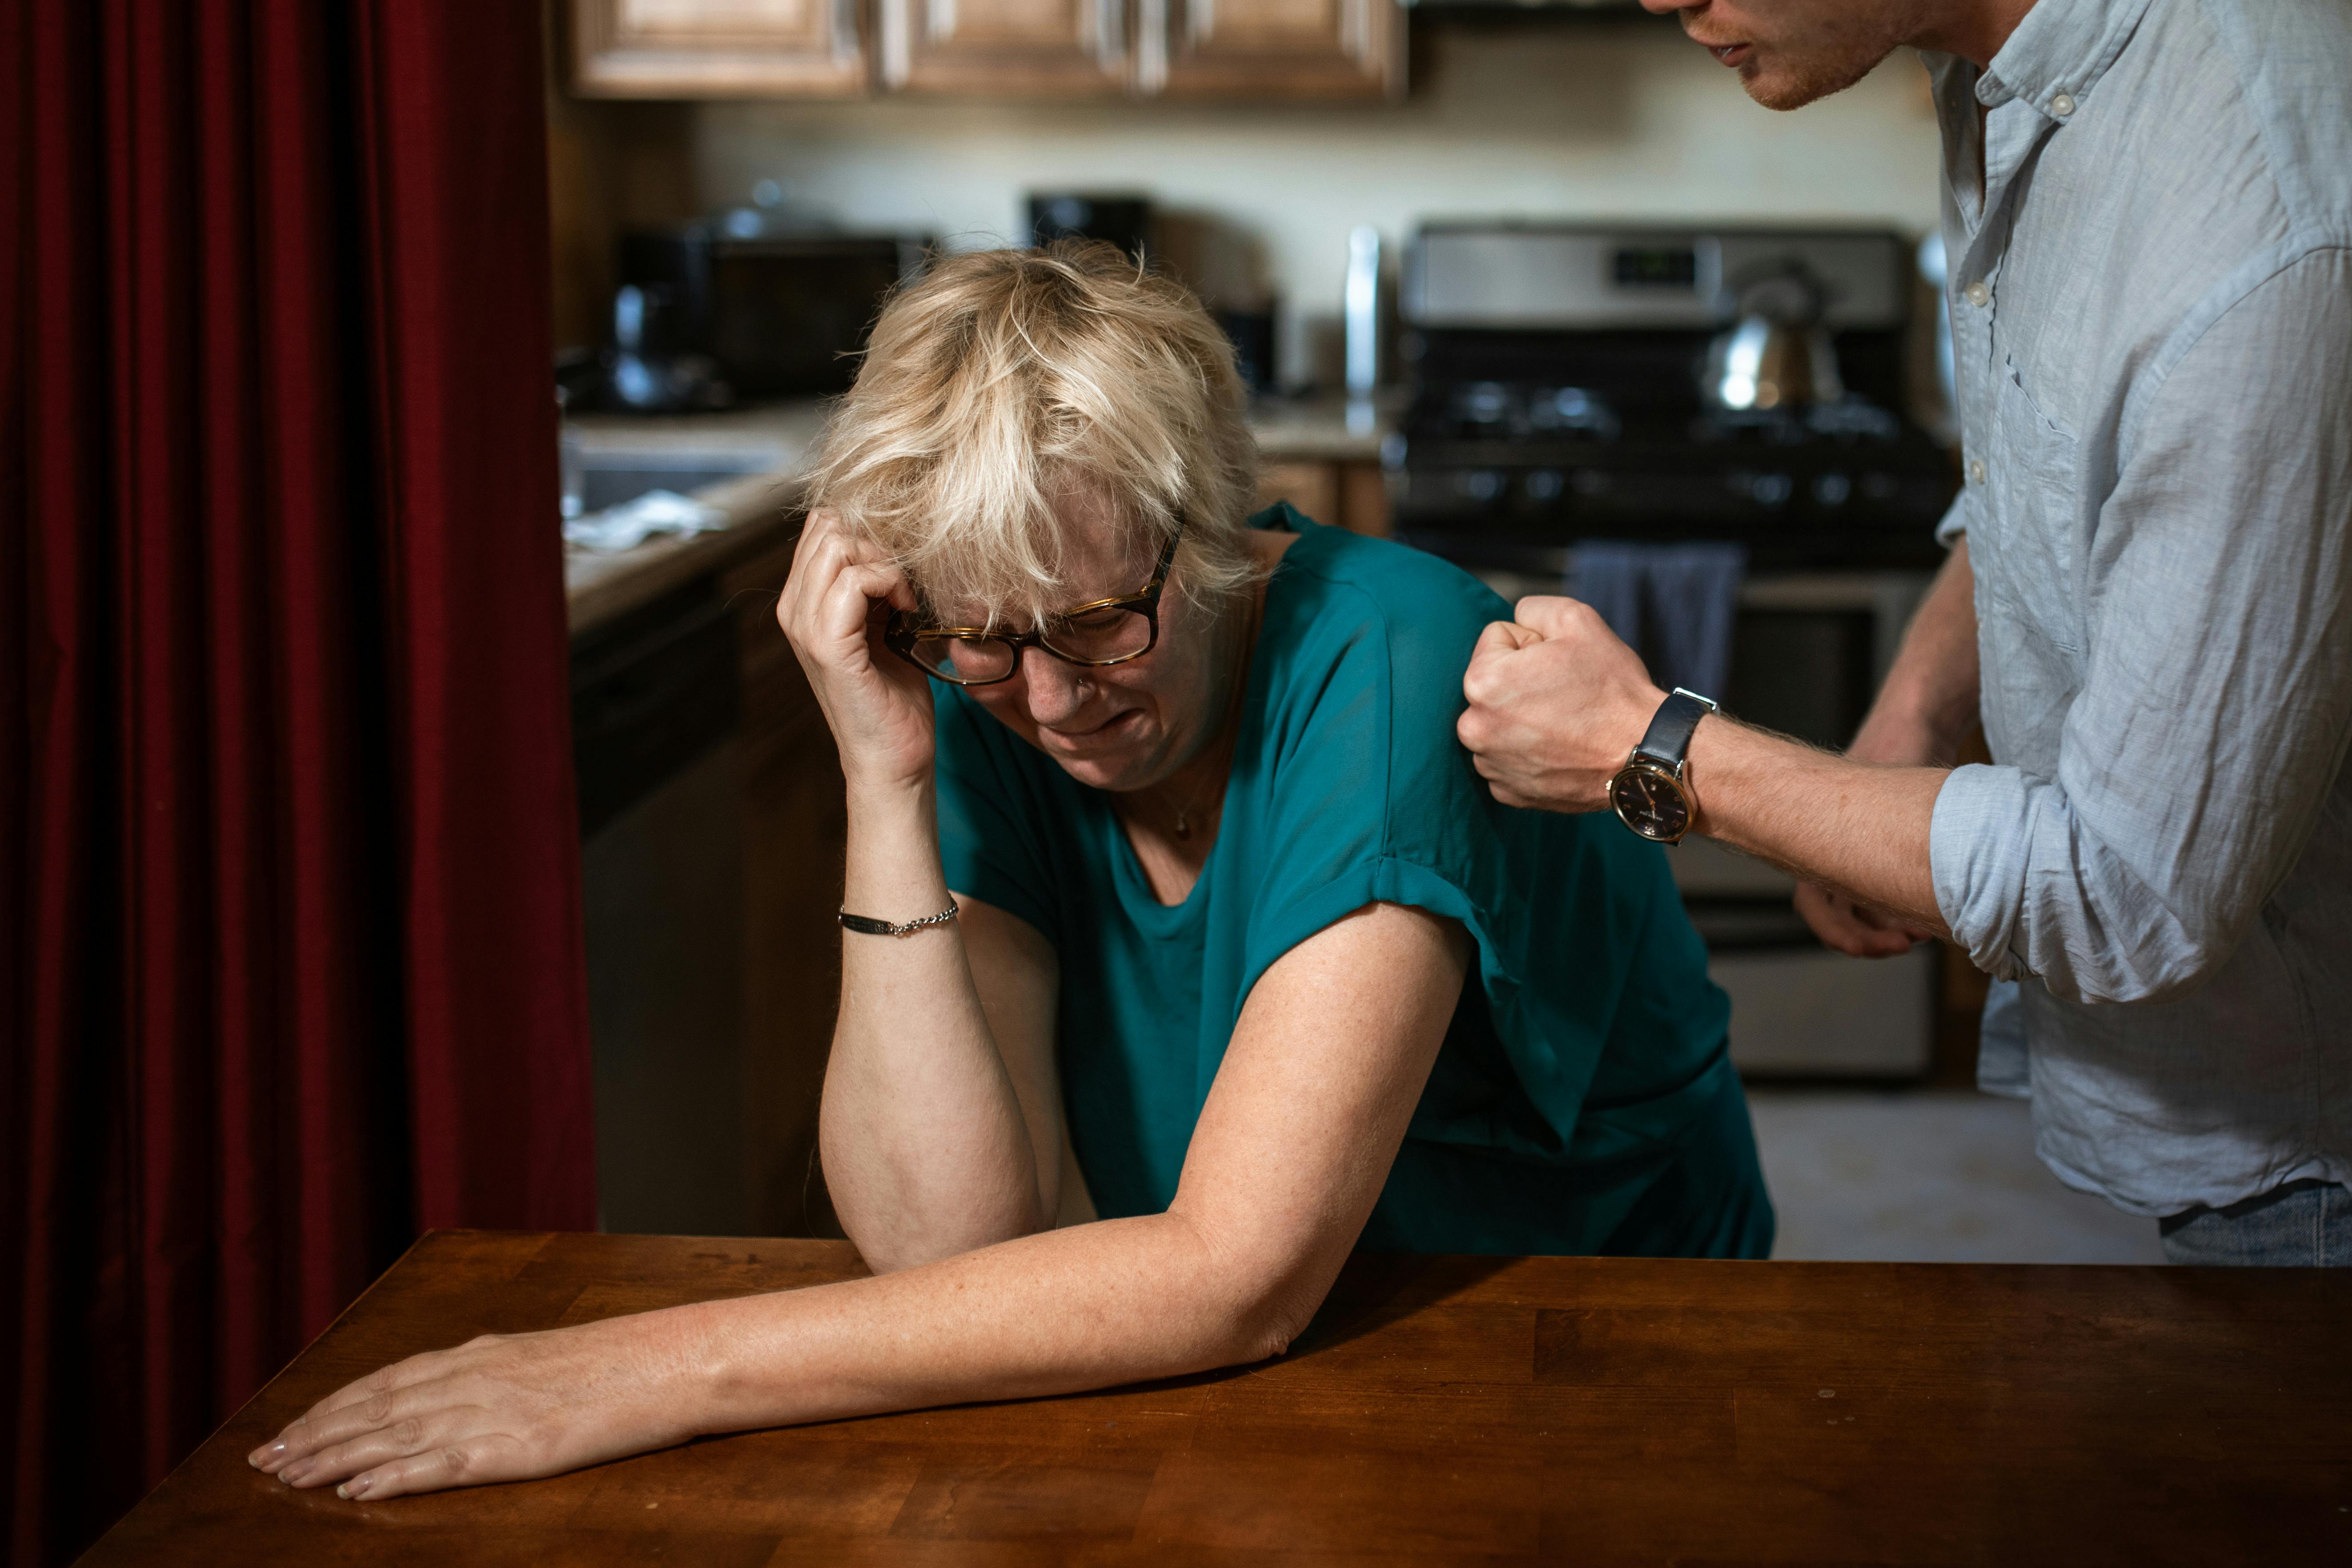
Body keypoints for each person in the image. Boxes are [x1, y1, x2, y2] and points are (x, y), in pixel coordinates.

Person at [247, 243, 1771, 1502]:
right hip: (1214, 1350)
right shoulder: (978, 673)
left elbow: (1233, 1279)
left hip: (1566, 1331)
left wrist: (644, 1367)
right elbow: (951, 1245)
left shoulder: (1391, 659)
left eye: (1105, 623)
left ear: (1218, 531)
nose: (1051, 702)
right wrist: (882, 768)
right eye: (981, 637)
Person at [1461, 0, 2352, 1264]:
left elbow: (2130, 891)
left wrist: (1650, 746)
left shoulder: (2265, 224)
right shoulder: (2003, 76)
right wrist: (1910, 719)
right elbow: (2044, 486)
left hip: (2314, 1148)